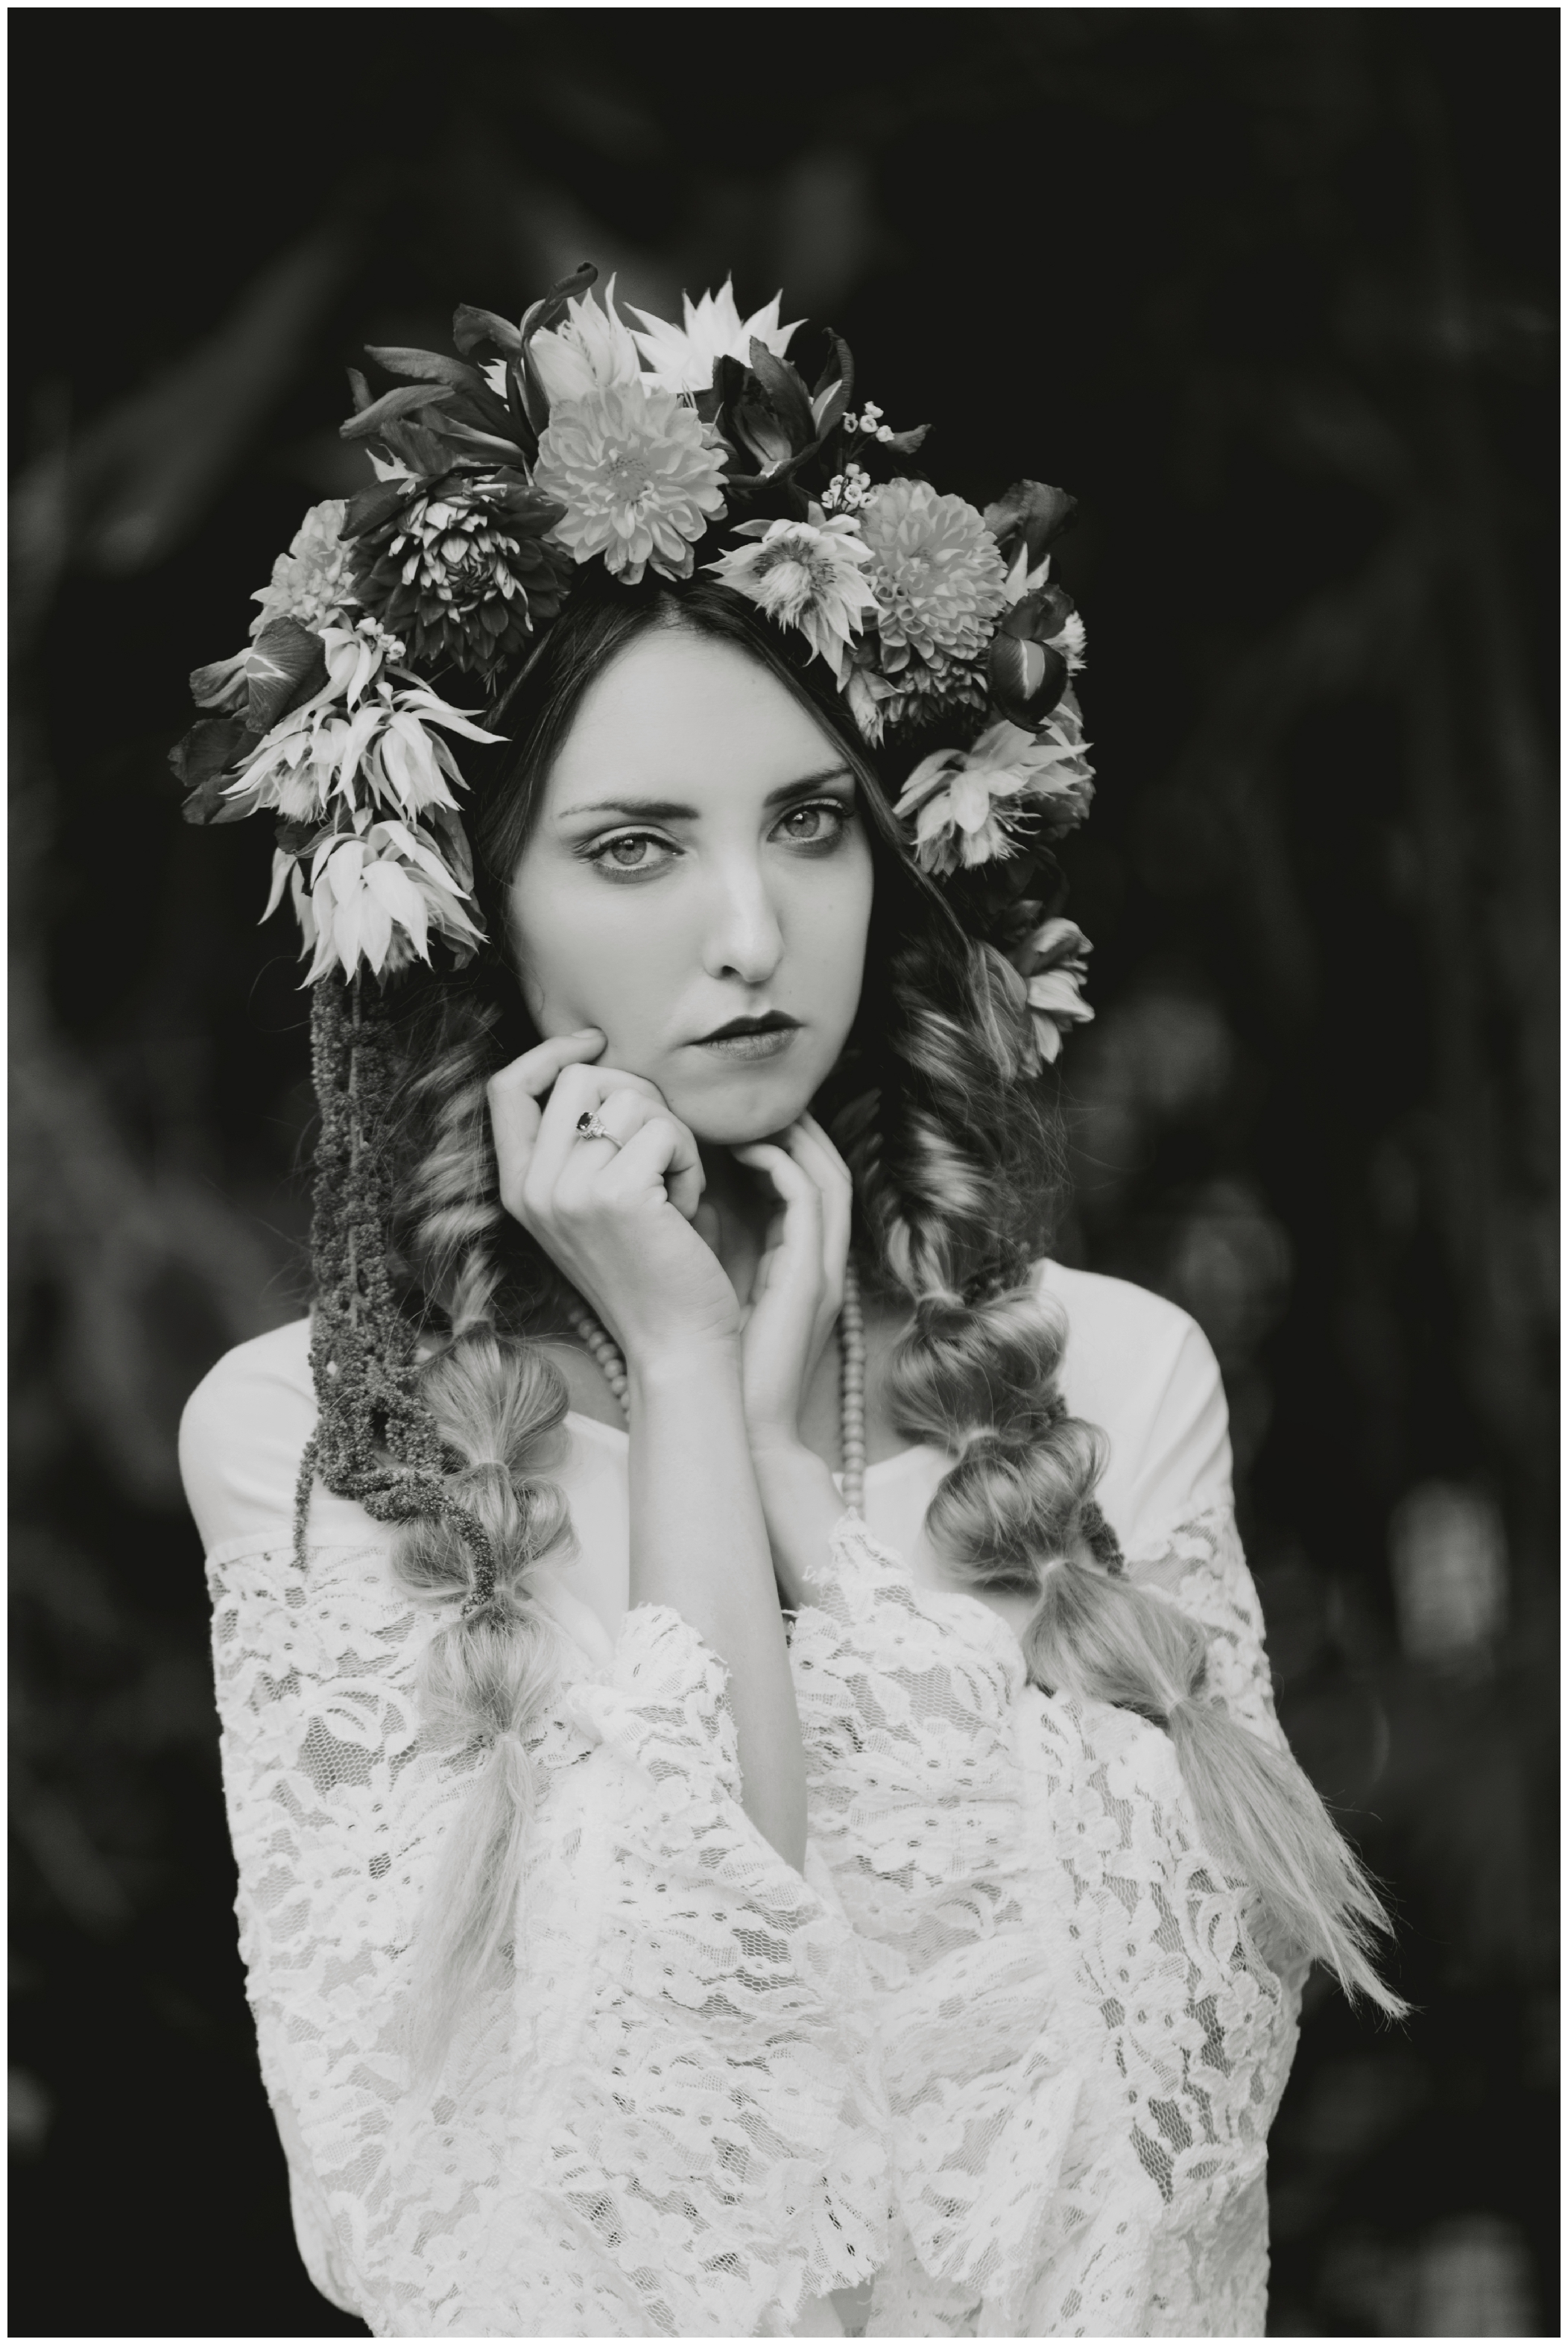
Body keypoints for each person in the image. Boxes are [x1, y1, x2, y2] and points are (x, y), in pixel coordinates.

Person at [177, 269, 1400, 2337]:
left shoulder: (1114, 1376)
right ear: (476, 912)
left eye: (812, 824)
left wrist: (779, 1478)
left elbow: (1134, 2171)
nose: (754, 935)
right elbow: (635, 2180)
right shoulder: (312, 1440)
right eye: (637, 847)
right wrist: (667, 1349)